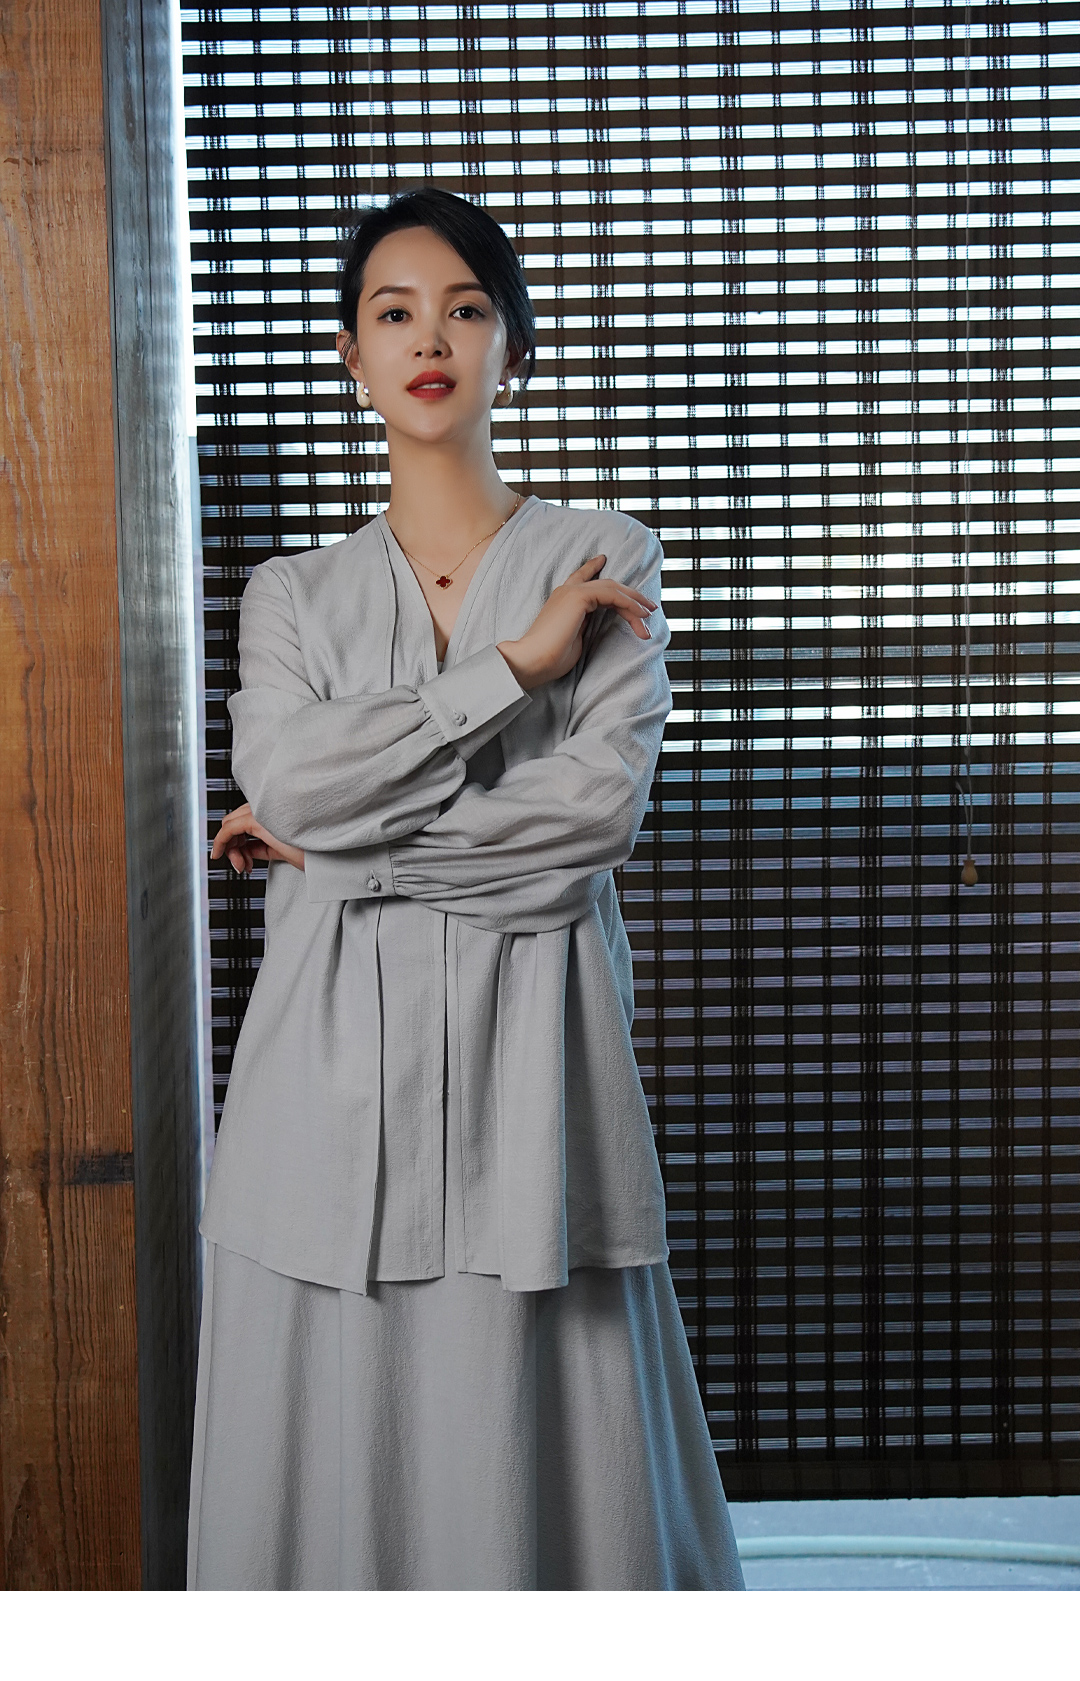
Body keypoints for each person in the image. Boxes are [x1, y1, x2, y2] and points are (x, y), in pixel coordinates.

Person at [186, 187, 744, 1591]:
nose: (429, 338)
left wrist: (344, 853)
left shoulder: (602, 556)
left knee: (546, 1472)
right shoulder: (290, 593)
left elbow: (592, 818)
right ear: (351, 355)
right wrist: (515, 669)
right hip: (319, 1095)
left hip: (538, 1085)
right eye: (394, 312)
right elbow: (289, 779)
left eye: (466, 308)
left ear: (514, 345)